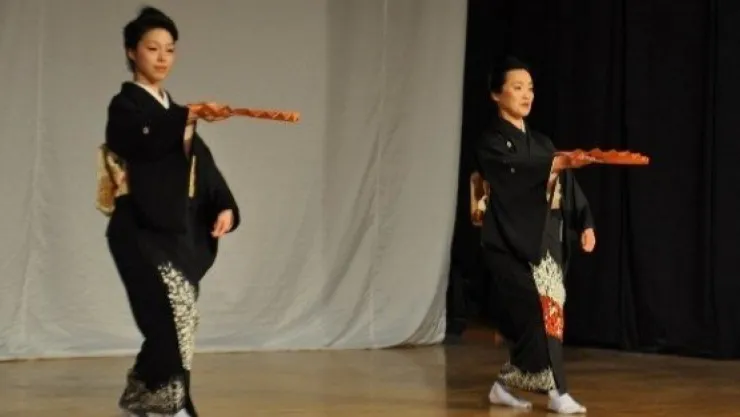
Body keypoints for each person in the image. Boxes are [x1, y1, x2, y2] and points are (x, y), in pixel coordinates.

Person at [102, 6, 240, 417]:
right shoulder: (126, 107)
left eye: (170, 49)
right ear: (132, 52)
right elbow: (137, 142)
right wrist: (187, 116)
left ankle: (144, 399)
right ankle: (173, 407)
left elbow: (204, 167)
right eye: (152, 48)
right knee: (169, 318)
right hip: (139, 229)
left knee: (182, 320)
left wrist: (224, 205)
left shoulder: (172, 113)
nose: (162, 57)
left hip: (174, 233)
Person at [475, 56, 595, 414]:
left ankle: (504, 385)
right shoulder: (491, 143)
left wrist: (585, 222)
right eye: (517, 87)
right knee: (538, 313)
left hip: (545, 241)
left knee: (549, 313)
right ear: (496, 94)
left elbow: (565, 185)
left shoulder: (541, 143)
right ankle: (557, 391)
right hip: (508, 242)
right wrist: (555, 163)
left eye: (529, 88)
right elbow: (516, 173)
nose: (526, 94)